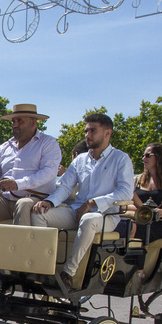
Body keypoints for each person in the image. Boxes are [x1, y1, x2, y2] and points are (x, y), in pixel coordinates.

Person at [29, 112, 134, 289]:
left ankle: (69, 272)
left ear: (107, 133)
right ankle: (44, 266)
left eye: (93, 130)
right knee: (39, 213)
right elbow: (64, 186)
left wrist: (93, 202)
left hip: (106, 215)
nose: (87, 135)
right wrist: (50, 202)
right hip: (77, 211)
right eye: (86, 131)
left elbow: (125, 193)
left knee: (88, 219)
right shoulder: (80, 161)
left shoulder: (121, 159)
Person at [0, 103, 62, 225]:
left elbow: (49, 173)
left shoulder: (48, 143)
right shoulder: (5, 147)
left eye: (20, 121)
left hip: (34, 198)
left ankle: (21, 244)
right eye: (13, 121)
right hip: (5, 200)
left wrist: (18, 184)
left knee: (23, 204)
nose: (15, 125)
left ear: (33, 123)